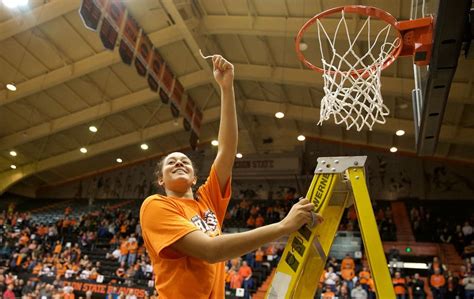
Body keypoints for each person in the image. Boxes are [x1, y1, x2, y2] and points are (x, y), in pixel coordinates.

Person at [140, 54, 321, 298]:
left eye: (185, 161)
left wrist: (227, 87)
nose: (179, 162)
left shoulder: (207, 201)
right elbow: (211, 250)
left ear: (194, 178)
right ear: (161, 180)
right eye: (171, 162)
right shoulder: (155, 206)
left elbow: (226, 151)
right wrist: (283, 226)